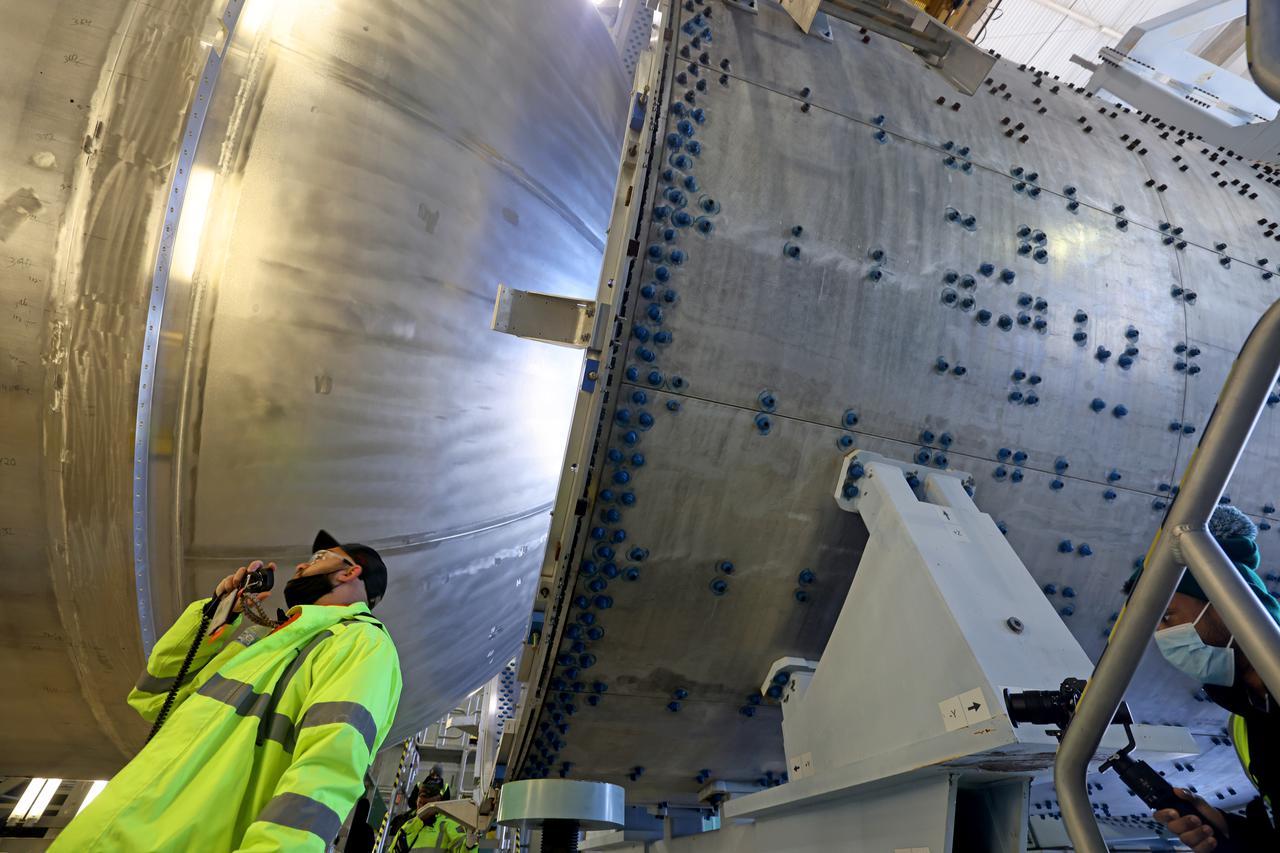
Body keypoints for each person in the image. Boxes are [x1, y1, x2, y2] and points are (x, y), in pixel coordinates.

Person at [51, 530, 403, 852]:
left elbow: (327, 768)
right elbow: (155, 696)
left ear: (348, 572)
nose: (302, 564)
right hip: (107, 830)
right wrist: (212, 616)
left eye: (318, 557)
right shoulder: (267, 641)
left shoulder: (362, 643)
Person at [1129, 505, 1280, 851]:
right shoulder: (1246, 723)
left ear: (1229, 606)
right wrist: (1225, 829)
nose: (1163, 636)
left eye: (1167, 617)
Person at [388, 775, 475, 852]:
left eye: (426, 804)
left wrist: (470, 843)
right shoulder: (407, 827)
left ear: (437, 803)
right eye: (420, 803)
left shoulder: (448, 824)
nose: (422, 807)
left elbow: (463, 849)